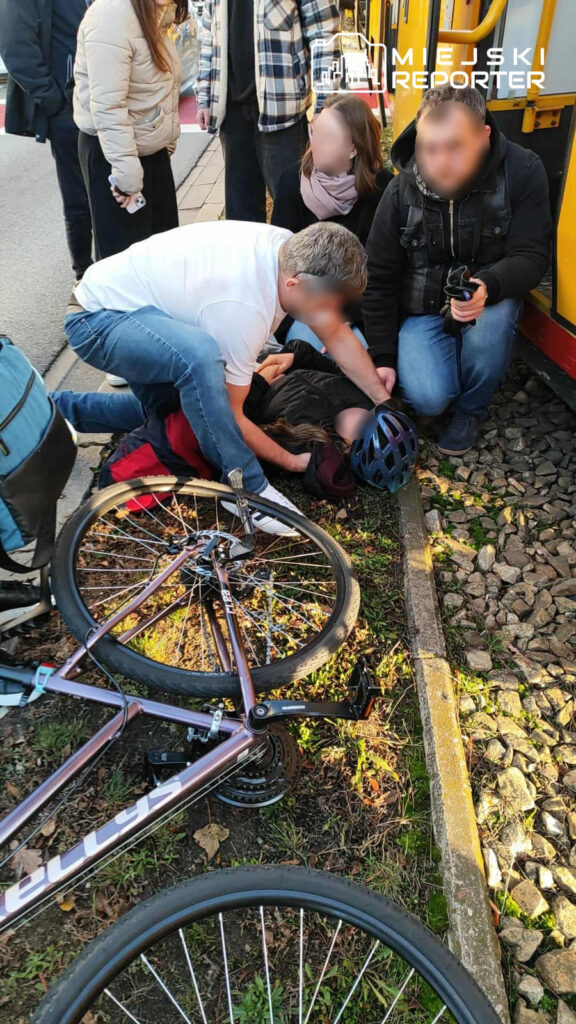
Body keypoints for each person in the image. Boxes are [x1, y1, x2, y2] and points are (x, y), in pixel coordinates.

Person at [64, 219, 392, 533]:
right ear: (295, 284)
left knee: (181, 419)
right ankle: (246, 490)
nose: (328, 315)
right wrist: (292, 462)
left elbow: (335, 335)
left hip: (137, 308)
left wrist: (386, 404)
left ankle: (57, 410)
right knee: (202, 363)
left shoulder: (289, 251)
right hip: (99, 320)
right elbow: (231, 416)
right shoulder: (244, 309)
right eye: (325, 305)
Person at [362, 84, 553, 456]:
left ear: (483, 137)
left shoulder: (523, 170)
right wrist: (382, 357)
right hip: (422, 310)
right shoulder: (400, 190)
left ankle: (471, 410)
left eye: (454, 148)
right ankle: (446, 377)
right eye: (429, 148)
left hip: (487, 300)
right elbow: (379, 279)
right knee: (428, 400)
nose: (439, 162)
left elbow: (532, 255)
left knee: (492, 325)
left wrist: (488, 286)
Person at [195, 0, 340, 221]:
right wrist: (205, 95)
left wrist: (325, 103)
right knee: (241, 218)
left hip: (283, 112)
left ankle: (300, 256)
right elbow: (208, 34)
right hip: (232, 113)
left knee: (296, 210)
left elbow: (325, 34)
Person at [272, 91, 392, 352]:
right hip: (303, 305)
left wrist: (347, 318)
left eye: (327, 137)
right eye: (314, 132)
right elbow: (281, 263)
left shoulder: (382, 190)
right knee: (311, 352)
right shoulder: (292, 182)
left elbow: (382, 271)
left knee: (353, 356)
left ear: (353, 148)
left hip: (359, 310)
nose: (314, 143)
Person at [73, 0, 185, 261]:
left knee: (162, 260)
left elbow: (162, 85)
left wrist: (166, 139)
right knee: (126, 269)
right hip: (115, 156)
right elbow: (108, 105)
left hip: (149, 154)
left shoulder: (157, 13)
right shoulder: (110, 14)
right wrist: (127, 178)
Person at [0, 0, 93, 281]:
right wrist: (54, 101)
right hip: (68, 105)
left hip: (105, 97)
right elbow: (16, 46)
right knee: (80, 198)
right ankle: (85, 275)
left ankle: (116, 272)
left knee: (113, 193)